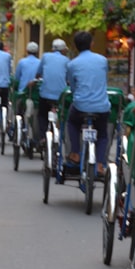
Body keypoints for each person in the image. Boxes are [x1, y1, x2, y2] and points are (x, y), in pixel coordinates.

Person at [65, 31, 110, 177]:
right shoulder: (103, 61)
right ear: (91, 44)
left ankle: (75, 153)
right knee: (102, 134)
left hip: (81, 106)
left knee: (72, 123)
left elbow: (72, 87)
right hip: (102, 107)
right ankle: (100, 163)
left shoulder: (72, 64)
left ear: (76, 47)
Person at [36, 38, 70, 139]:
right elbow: (69, 79)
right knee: (64, 114)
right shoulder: (67, 60)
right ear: (63, 50)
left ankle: (42, 137)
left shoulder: (45, 57)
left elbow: (38, 73)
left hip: (45, 94)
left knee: (42, 114)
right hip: (60, 96)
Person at [13, 42, 42, 142]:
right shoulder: (40, 62)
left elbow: (16, 78)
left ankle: (17, 129)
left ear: (27, 51)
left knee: (18, 111)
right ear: (37, 52)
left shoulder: (22, 62)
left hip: (23, 93)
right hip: (36, 94)